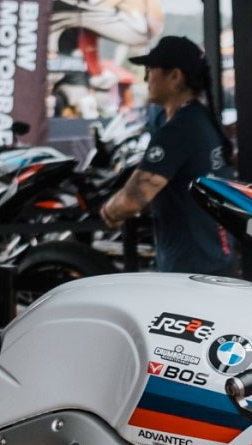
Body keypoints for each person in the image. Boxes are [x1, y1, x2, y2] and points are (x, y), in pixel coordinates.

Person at [100, 36, 238, 275]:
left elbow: (131, 201)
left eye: (151, 70)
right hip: (213, 256)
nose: (146, 78)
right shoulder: (197, 117)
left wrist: (108, 211)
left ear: (175, 76)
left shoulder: (179, 129)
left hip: (194, 267)